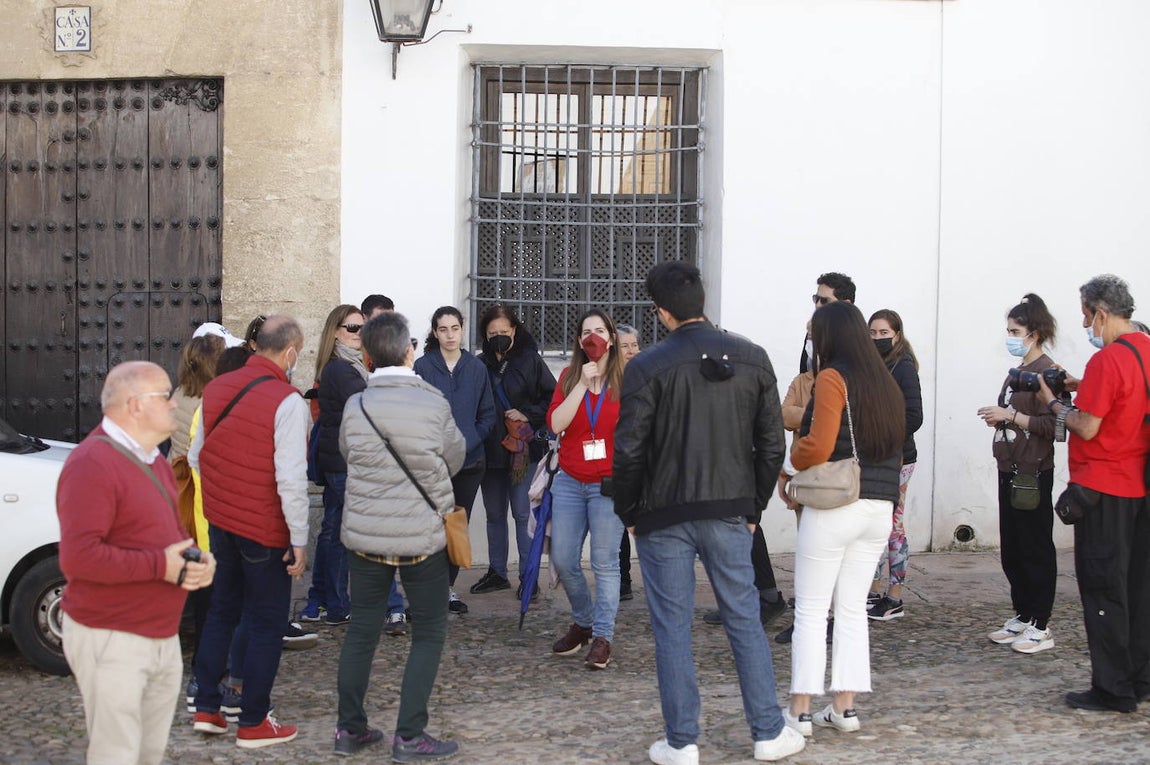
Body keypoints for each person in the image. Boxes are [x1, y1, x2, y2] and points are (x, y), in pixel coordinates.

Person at [613, 262, 803, 764]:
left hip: (662, 512)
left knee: (672, 628)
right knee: (744, 619)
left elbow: (629, 449)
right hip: (727, 510)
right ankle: (766, 731)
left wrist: (628, 510)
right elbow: (769, 446)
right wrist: (754, 506)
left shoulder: (647, 366)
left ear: (661, 313)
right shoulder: (754, 358)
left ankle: (681, 742)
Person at [58, 361, 216, 765]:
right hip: (113, 635)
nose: (174, 404)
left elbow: (164, 536)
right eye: (164, 396)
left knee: (146, 754)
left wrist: (193, 560)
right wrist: (159, 567)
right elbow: (79, 558)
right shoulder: (91, 463)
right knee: (117, 754)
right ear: (134, 406)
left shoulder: (152, 459)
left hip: (158, 634)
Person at [332, 311, 466, 759]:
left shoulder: (357, 405)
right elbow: (455, 458)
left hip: (366, 535)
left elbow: (349, 455)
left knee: (361, 632)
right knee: (428, 630)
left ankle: (349, 729)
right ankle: (409, 734)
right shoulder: (433, 403)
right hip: (421, 536)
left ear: (367, 356)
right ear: (409, 350)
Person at [777, 300, 904, 738]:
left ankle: (800, 711)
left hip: (837, 506)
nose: (812, 342)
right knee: (851, 609)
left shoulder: (833, 377)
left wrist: (790, 466)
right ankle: (845, 709)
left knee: (812, 610)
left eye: (815, 335)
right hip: (879, 508)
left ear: (830, 337)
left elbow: (817, 445)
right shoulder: (887, 382)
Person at [189, 315, 310, 748]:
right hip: (265, 528)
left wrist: (221, 502)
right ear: (290, 352)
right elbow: (291, 479)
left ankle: (206, 706)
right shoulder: (288, 401)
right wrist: (299, 539)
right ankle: (255, 720)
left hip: (222, 522)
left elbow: (198, 456)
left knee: (221, 610)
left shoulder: (216, 389)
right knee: (266, 621)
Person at [1036, 274, 1150, 713]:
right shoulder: (1143, 351)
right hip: (1139, 485)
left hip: (1103, 486)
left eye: (1086, 316)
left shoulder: (1108, 361)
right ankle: (1139, 678)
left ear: (1100, 313)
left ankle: (1112, 688)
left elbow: (1087, 425)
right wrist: (1078, 387)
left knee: (1104, 590)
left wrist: (1053, 402)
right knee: (1138, 589)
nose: (1086, 325)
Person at [976, 294, 1059, 654]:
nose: (1010, 337)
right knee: (1013, 546)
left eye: (1016, 331)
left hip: (1033, 470)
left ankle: (1041, 622)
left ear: (1034, 333)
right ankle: (1023, 614)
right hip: (1010, 466)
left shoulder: (1047, 372)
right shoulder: (1020, 372)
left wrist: (1009, 417)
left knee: (1034, 545)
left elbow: (1055, 424)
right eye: (1008, 330)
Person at [545, 309, 627, 670]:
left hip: (609, 484)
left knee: (605, 563)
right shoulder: (567, 376)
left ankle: (603, 637)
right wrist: (580, 385)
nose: (592, 337)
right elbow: (555, 424)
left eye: (599, 330)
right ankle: (584, 620)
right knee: (563, 559)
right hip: (570, 480)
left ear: (610, 337)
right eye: (585, 332)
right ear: (579, 341)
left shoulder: (627, 379)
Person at [414, 306, 497, 614]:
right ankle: (424, 591)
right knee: (430, 528)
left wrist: (466, 442)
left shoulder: (476, 368)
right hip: (432, 464)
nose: (450, 335)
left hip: (469, 463)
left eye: (455, 328)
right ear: (435, 333)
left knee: (454, 528)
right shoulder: (422, 367)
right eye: (443, 329)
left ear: (463, 330)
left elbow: (487, 415)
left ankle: (446, 591)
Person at [473, 306, 557, 598]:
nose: (498, 337)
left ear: (515, 331)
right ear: (484, 334)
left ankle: (528, 576)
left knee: (523, 515)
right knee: (494, 514)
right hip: (489, 451)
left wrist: (527, 413)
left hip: (523, 452)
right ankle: (497, 572)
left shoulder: (530, 361)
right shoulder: (478, 364)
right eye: (492, 333)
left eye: (504, 332)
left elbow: (553, 398)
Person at [300, 305, 369, 627]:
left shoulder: (347, 365)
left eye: (362, 328)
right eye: (352, 328)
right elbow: (367, 405)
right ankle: (337, 605)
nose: (359, 334)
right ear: (336, 331)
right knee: (340, 534)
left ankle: (326, 599)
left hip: (339, 458)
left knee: (332, 529)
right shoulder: (342, 370)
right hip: (342, 461)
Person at [865, 309, 924, 621]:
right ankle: (873, 590)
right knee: (874, 525)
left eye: (884, 333)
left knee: (893, 527)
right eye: (873, 333)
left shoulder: (903, 367)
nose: (878, 339)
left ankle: (895, 595)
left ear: (897, 335)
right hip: (873, 457)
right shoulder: (872, 365)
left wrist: (884, 435)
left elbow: (914, 416)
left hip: (898, 458)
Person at [616, 323, 641, 601]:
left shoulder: (645, 376)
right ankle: (623, 579)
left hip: (641, 459)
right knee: (618, 522)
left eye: (634, 345)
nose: (631, 351)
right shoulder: (610, 380)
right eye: (625, 346)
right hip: (615, 459)